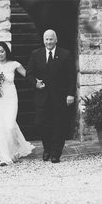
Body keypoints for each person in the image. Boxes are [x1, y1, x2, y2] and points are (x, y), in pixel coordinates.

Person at [26, 29, 76, 163]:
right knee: (41, 123)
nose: (49, 42)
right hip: (42, 97)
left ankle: (56, 153)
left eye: (51, 39)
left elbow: (71, 76)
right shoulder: (36, 54)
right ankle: (47, 148)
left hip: (60, 97)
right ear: (43, 40)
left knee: (59, 125)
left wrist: (70, 94)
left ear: (56, 40)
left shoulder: (65, 54)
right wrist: (35, 83)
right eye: (46, 39)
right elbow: (29, 74)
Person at [0, 41, 35, 166]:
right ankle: (5, 158)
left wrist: (37, 81)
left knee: (10, 126)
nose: (0, 54)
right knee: (0, 127)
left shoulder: (14, 64)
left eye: (2, 51)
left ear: (6, 51)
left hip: (11, 97)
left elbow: (28, 75)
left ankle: (16, 151)